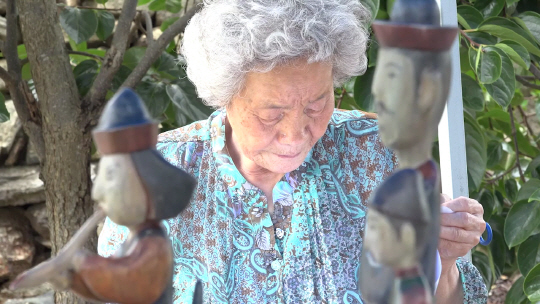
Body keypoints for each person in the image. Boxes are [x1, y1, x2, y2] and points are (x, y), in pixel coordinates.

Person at [98, 0, 488, 303]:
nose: (295, 134)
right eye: (272, 114)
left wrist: (445, 261)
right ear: (226, 95)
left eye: (317, 105)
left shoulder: (374, 151)